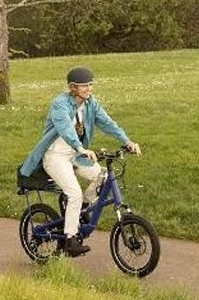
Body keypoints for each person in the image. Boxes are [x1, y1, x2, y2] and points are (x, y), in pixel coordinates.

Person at [19, 66, 141, 257]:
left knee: (104, 176)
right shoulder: (59, 104)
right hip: (55, 156)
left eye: (90, 85)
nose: (89, 89)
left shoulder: (91, 103)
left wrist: (127, 141)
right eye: (84, 86)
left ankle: (82, 207)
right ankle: (70, 239)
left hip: (76, 154)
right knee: (73, 192)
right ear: (72, 87)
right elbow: (66, 128)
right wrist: (81, 148)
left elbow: (108, 123)